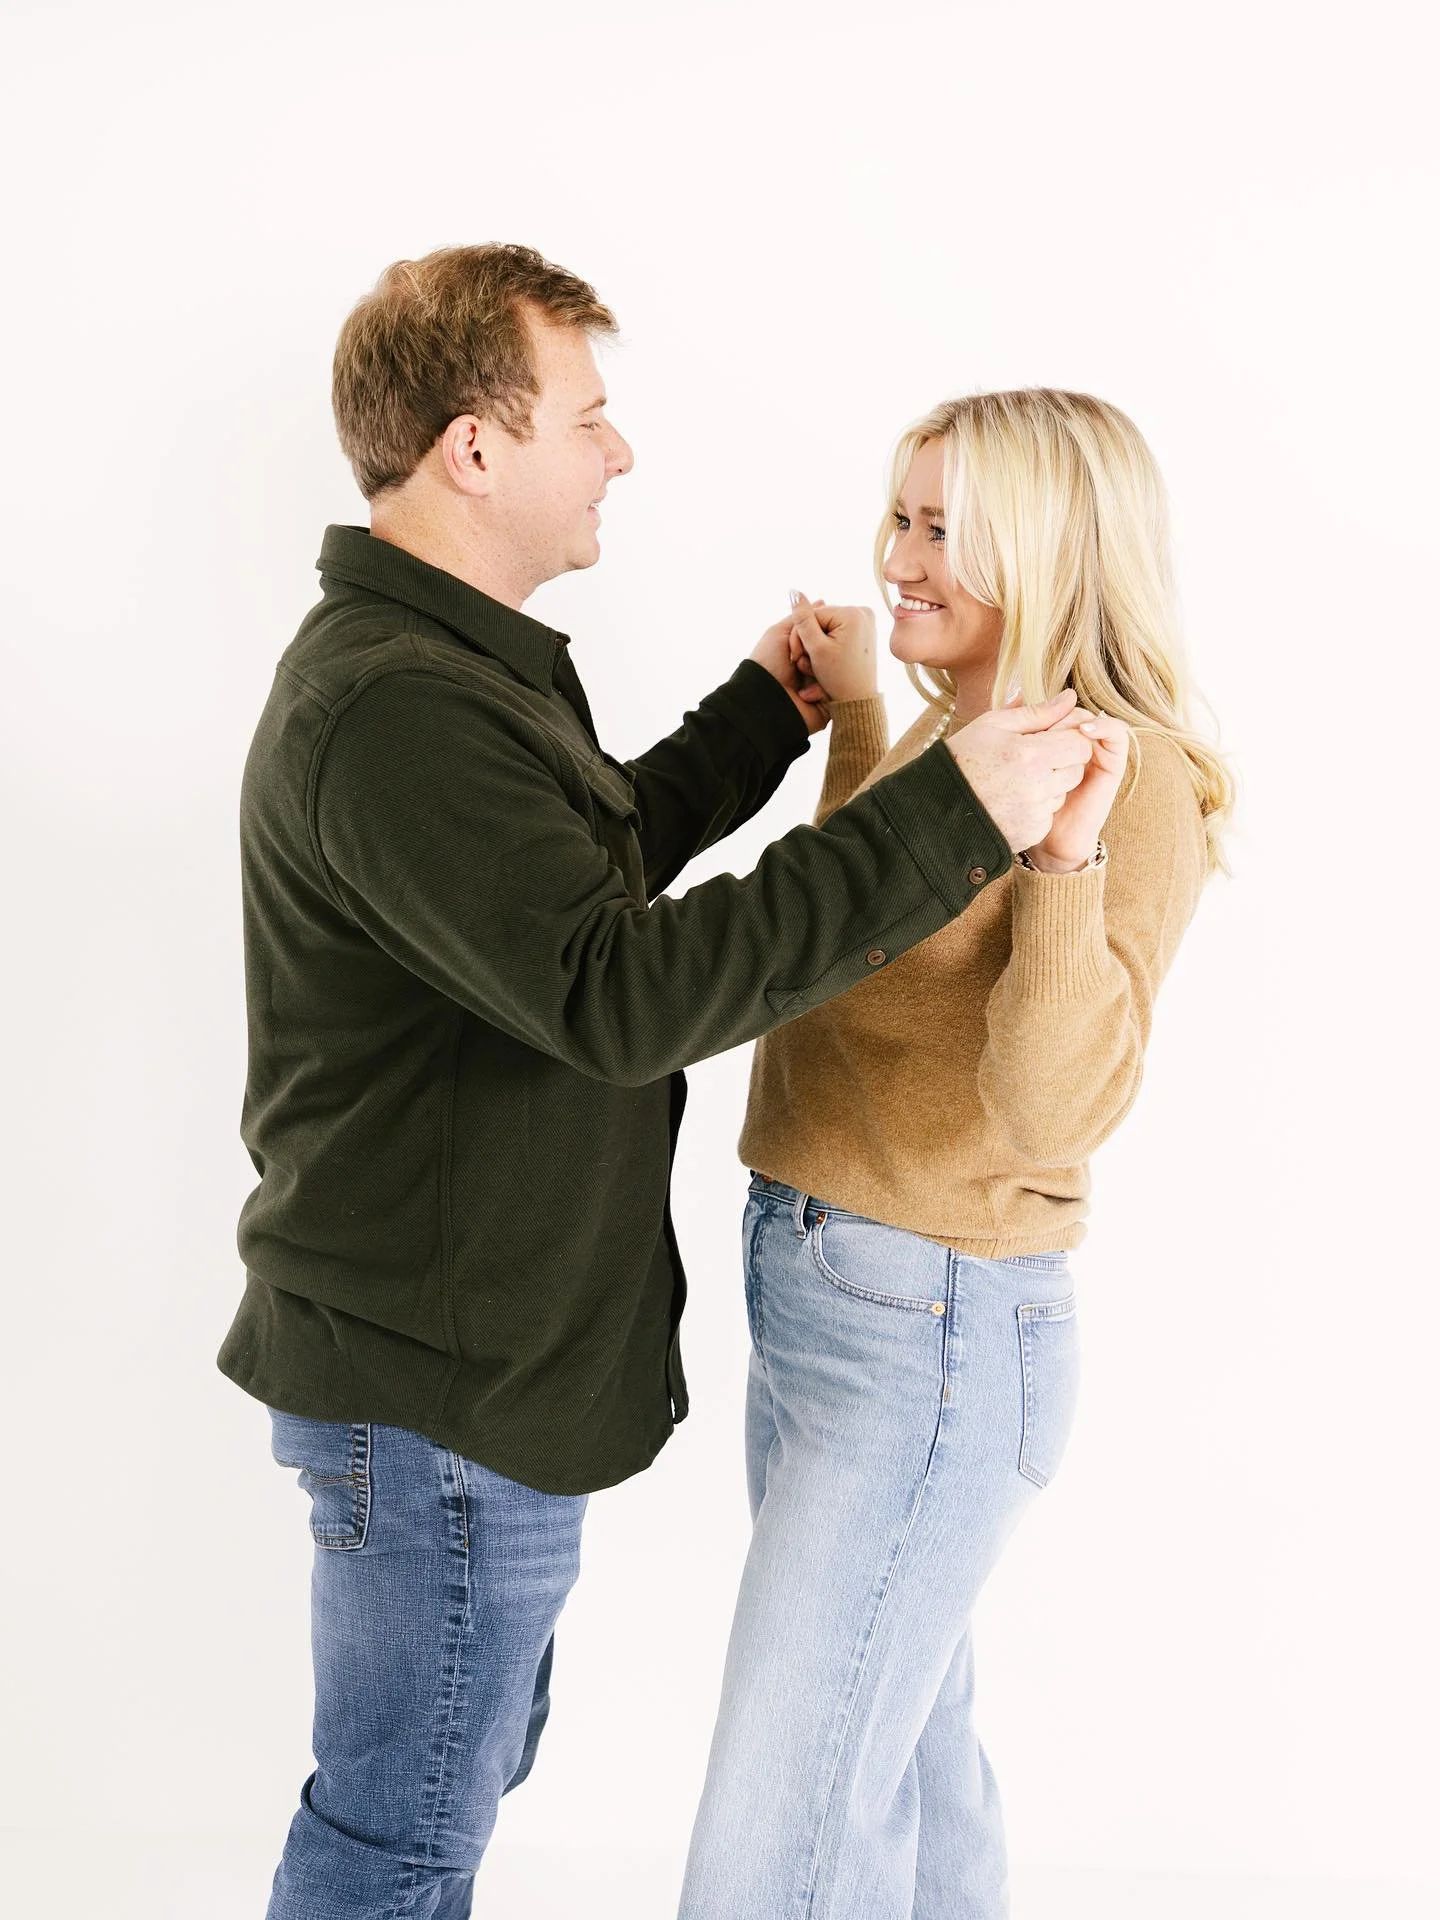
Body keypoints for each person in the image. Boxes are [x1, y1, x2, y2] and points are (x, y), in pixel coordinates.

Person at [219, 246, 1096, 1920]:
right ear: (476, 449)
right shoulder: (394, 710)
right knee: (397, 1835)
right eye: (589, 415)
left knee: (422, 1801)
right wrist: (948, 814)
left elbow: (563, 890)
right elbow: (615, 993)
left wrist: (766, 718)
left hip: (453, 1385)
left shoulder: (442, 674)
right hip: (431, 1401)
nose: (619, 452)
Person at [679, 389, 1235, 1920]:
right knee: (903, 1773)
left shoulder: (1138, 783)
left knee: (772, 1850)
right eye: (902, 516)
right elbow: (866, 935)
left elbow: (1054, 1110)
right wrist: (863, 716)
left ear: (1048, 552)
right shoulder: (954, 726)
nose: (899, 557)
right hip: (818, 1290)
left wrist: (1064, 869)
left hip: (929, 1329)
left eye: (944, 530)